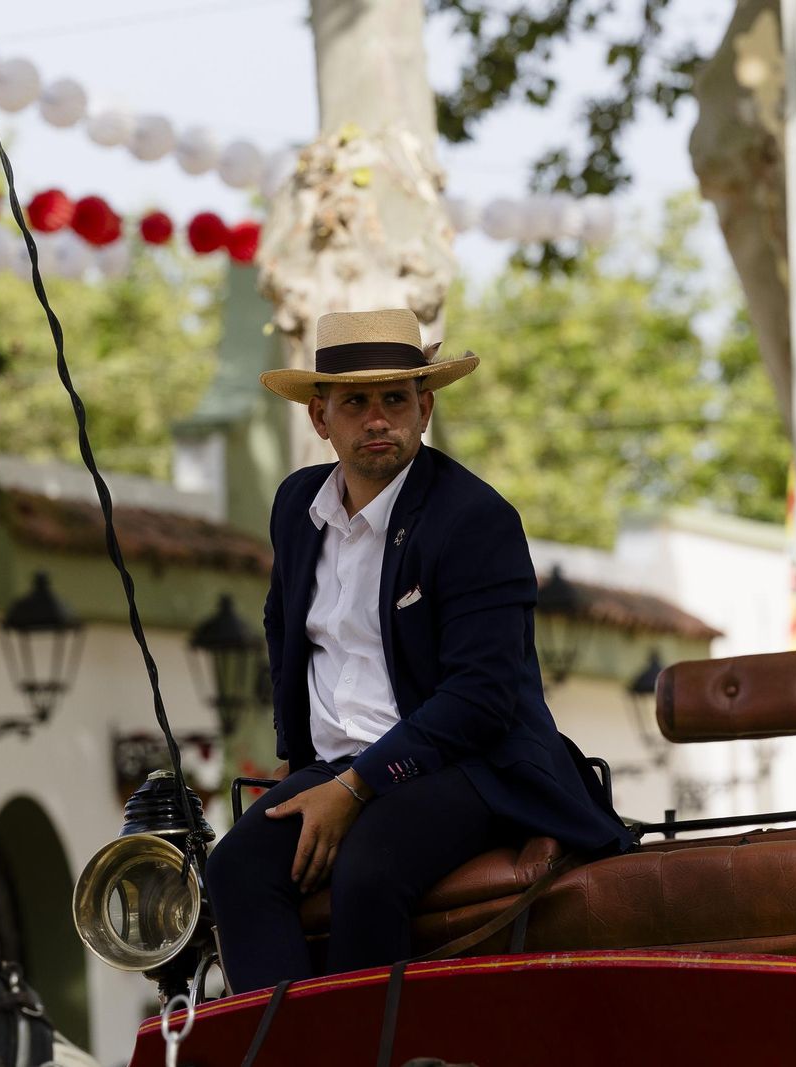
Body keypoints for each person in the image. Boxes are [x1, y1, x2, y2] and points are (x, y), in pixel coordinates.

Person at [204, 308, 631, 994]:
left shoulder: (475, 519)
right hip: (340, 766)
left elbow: (482, 699)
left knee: (368, 868)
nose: (378, 418)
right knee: (232, 868)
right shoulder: (295, 505)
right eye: (356, 402)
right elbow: (284, 624)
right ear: (321, 418)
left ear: (424, 408)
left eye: (395, 399)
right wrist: (300, 759)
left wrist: (356, 784)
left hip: (472, 766)